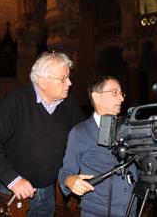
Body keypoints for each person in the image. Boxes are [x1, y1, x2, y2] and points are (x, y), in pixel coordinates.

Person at [0, 52, 85, 216]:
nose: (69, 83)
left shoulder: (69, 103)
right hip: (13, 190)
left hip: (47, 190)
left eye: (68, 77)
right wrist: (13, 180)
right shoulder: (18, 99)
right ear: (42, 82)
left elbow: (83, 134)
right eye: (63, 79)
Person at [58, 76, 138, 217]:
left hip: (131, 209)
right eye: (114, 92)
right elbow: (65, 172)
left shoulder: (128, 127)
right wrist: (70, 181)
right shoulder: (80, 132)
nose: (121, 98)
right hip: (97, 212)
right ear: (97, 97)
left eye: (121, 93)